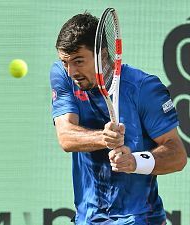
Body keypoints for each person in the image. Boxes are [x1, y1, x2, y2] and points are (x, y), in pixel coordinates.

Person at [50, 12, 187, 224]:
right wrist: (103, 138)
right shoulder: (63, 76)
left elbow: (177, 155)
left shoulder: (144, 88)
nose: (71, 71)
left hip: (140, 219)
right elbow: (66, 137)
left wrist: (135, 162)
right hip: (88, 218)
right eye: (65, 62)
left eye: (78, 61)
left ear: (103, 55)